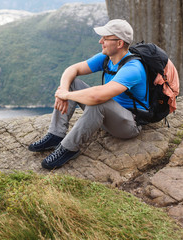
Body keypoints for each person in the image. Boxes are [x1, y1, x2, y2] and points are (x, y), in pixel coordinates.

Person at [28, 19, 148, 170]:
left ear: (119, 43)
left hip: (128, 124)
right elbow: (72, 69)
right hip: (108, 116)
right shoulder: (106, 58)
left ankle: (69, 149)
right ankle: (55, 135)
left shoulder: (133, 68)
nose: (100, 41)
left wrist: (66, 95)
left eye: (105, 38)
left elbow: (97, 97)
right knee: (72, 83)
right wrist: (64, 91)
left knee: (98, 101)